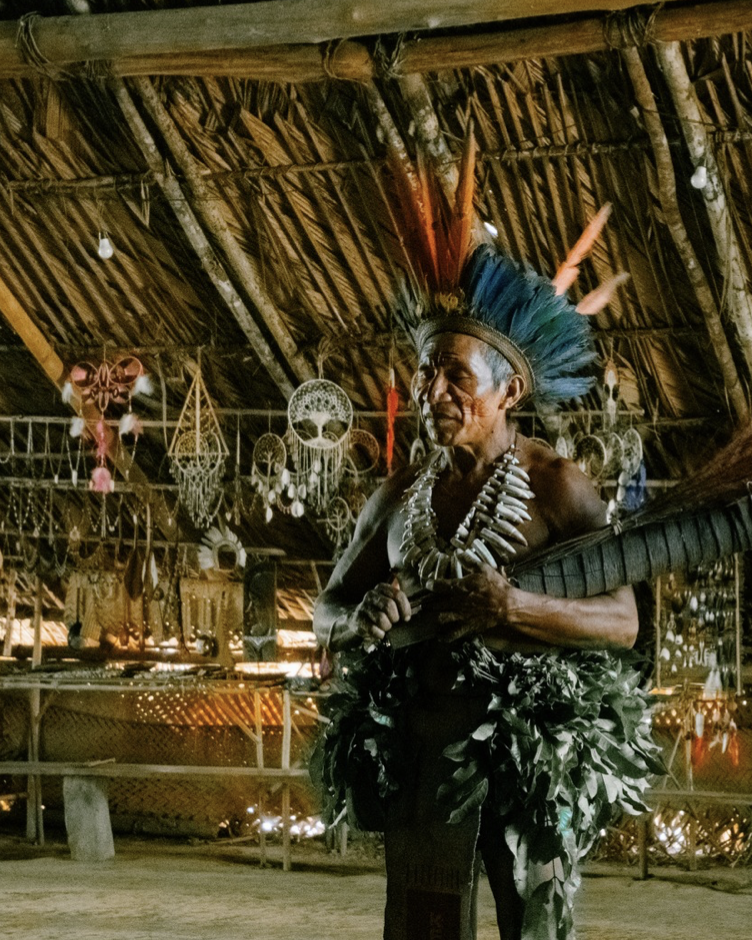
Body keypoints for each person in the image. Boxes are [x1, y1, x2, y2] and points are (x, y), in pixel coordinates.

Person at [313, 146, 657, 940]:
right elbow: (325, 609)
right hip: (422, 756)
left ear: (511, 390)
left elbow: (624, 624)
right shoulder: (399, 497)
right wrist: (361, 613)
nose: (432, 392)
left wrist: (519, 606)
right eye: (427, 373)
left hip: (526, 760)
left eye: (454, 378)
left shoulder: (558, 486)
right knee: (424, 924)